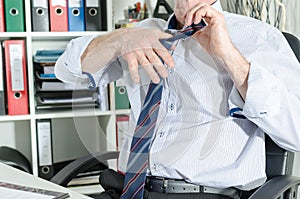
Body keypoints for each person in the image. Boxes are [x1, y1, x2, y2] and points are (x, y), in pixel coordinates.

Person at [55, 0, 300, 198]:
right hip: (128, 189)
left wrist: (230, 57)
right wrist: (118, 40)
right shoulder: (144, 32)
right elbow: (67, 72)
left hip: (207, 194)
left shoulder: (258, 37)